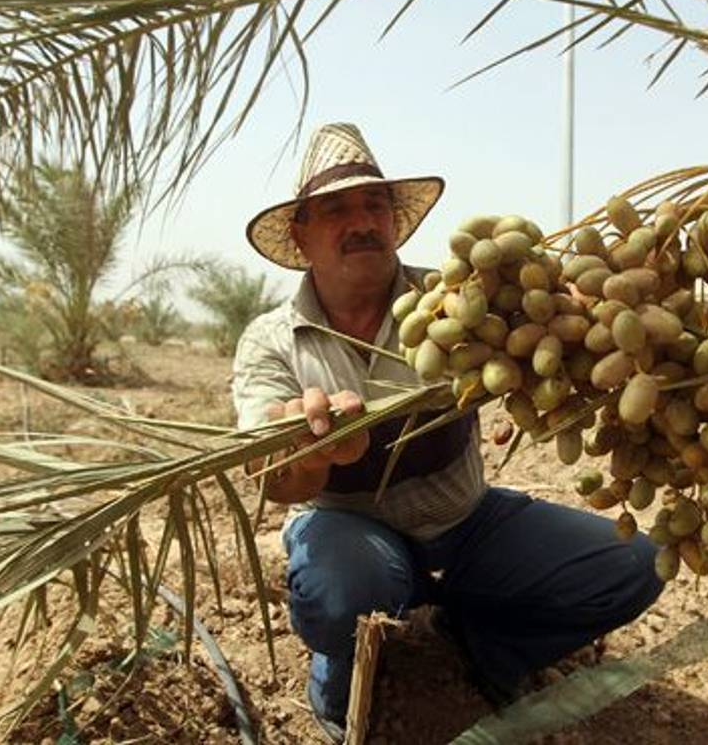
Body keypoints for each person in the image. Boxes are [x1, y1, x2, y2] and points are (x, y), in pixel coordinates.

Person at [232, 123, 664, 742]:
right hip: (350, 530)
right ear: (301, 235)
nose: (361, 220)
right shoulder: (271, 341)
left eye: (374, 204)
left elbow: (555, 344)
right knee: (343, 590)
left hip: (463, 524)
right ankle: (341, 665)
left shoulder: (460, 303)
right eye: (335, 209)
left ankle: (481, 646)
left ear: (394, 222)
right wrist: (316, 452)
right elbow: (274, 483)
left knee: (635, 566)